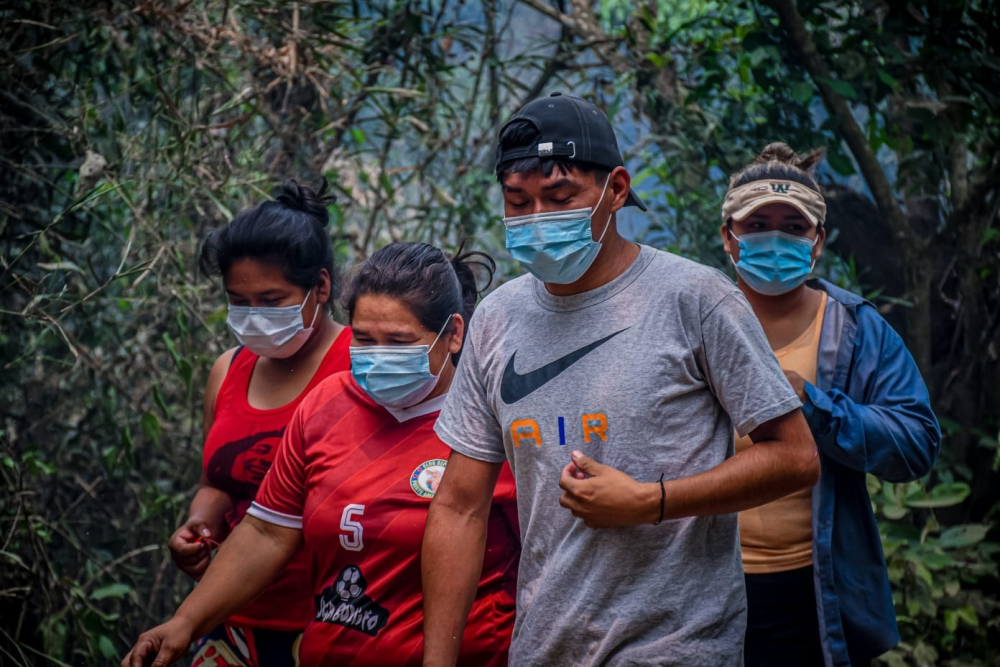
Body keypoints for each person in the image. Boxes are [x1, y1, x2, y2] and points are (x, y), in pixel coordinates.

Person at [421, 92, 820, 667]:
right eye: (518, 201)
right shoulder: (497, 318)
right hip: (544, 644)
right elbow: (459, 507)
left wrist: (652, 502)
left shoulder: (696, 298)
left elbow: (795, 457)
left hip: (676, 643)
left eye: (559, 198)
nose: (536, 219)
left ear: (615, 189)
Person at [124, 242, 519, 667]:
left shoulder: (491, 420)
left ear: (454, 334)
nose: (380, 354)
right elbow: (268, 531)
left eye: (400, 341)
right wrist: (186, 622)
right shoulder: (326, 404)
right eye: (365, 339)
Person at [720, 143, 940, 666]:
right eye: (757, 224)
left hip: (814, 592)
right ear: (729, 237)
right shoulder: (691, 321)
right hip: (704, 584)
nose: (775, 237)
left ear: (817, 243)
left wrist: (814, 404)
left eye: (794, 228)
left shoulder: (856, 328)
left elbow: (916, 444)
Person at [167, 179, 351, 666]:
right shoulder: (228, 369)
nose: (254, 318)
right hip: (231, 620)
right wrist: (198, 525)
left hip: (329, 624)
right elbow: (217, 479)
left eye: (272, 301)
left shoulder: (363, 367)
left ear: (322, 287)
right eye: (239, 302)